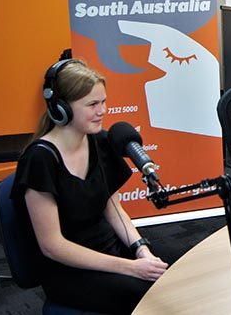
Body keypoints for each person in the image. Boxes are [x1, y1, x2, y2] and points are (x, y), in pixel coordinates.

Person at [11, 59, 172, 314]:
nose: (102, 111)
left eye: (103, 102)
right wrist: (130, 267)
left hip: (111, 249)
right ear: (61, 109)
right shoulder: (40, 159)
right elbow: (52, 245)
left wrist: (141, 250)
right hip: (70, 271)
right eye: (92, 104)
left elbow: (114, 208)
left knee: (183, 264)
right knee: (151, 295)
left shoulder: (99, 141)